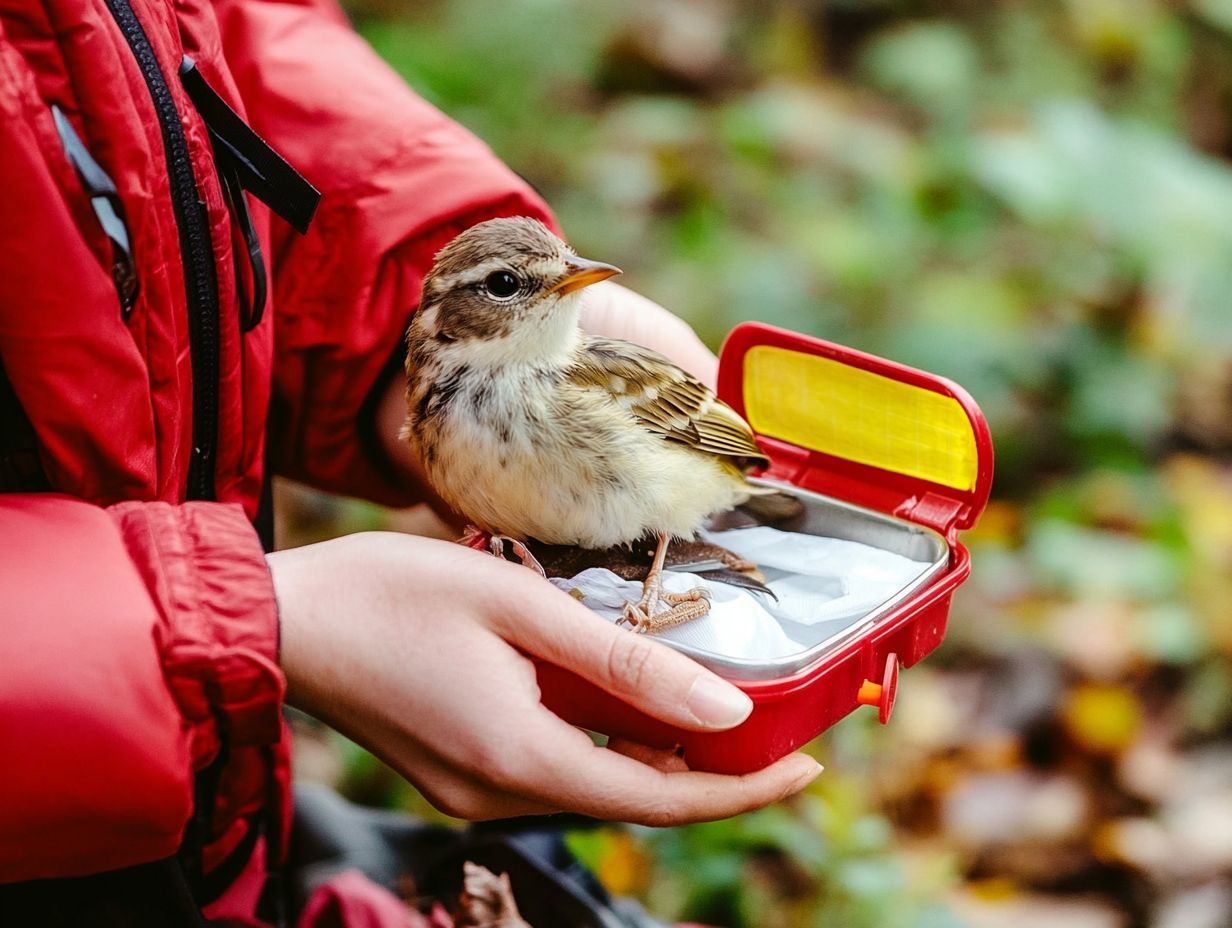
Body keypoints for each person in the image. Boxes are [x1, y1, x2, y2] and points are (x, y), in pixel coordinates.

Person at [0, 0, 822, 922]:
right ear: (456, 320)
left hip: (191, 808)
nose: (573, 289)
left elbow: (180, 62)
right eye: (515, 290)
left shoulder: (578, 380)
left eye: (565, 277)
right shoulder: (447, 400)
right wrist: (266, 623)